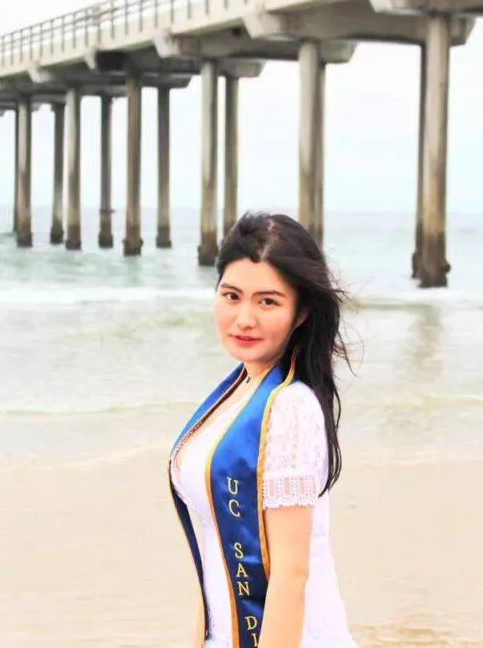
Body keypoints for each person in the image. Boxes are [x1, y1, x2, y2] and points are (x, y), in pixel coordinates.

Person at [168, 211, 359, 648]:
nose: (244, 319)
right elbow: (215, 552)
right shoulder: (236, 393)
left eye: (267, 302)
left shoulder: (290, 408)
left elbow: (291, 575)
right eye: (231, 296)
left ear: (301, 312)